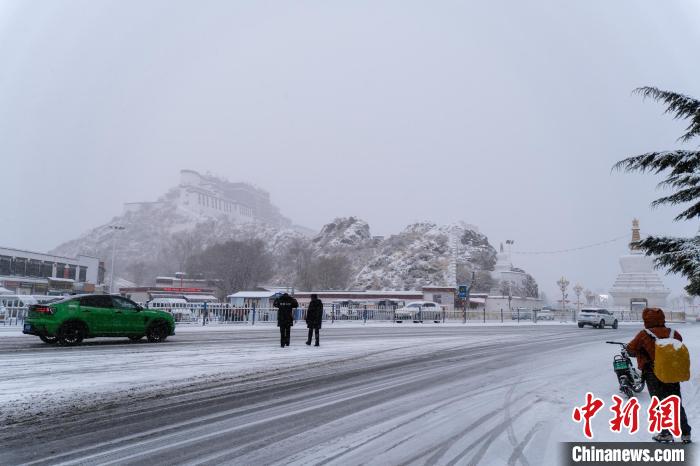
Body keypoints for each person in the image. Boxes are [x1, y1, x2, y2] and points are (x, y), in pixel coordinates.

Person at [627, 307, 692, 443]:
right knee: (675, 402)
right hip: (671, 372)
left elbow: (631, 349)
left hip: (653, 373)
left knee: (659, 404)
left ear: (646, 320)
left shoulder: (644, 334)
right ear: (662, 318)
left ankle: (665, 433)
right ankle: (685, 433)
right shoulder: (673, 333)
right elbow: (678, 344)